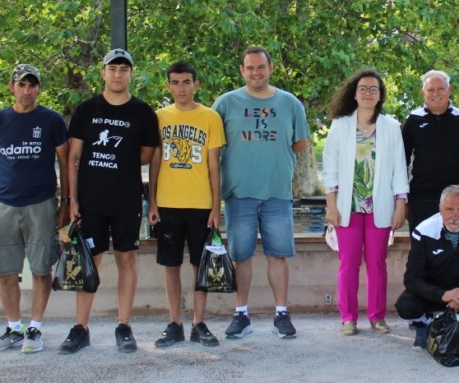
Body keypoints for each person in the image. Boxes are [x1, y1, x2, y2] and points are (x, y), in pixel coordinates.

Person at [59, 49, 160, 354]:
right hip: (91, 201)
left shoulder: (142, 112)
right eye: (112, 68)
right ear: (103, 72)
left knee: (126, 260)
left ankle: (124, 326)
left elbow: (145, 155)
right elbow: (73, 158)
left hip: (126, 200)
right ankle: (80, 328)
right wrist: (72, 200)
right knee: (89, 262)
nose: (118, 74)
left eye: (123, 69)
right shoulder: (86, 110)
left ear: (131, 74)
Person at [212, 46, 310, 339]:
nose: (256, 72)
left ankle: (281, 314)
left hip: (276, 193)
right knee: (241, 256)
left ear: (270, 69)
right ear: (242, 70)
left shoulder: (290, 103)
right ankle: (241, 315)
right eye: (250, 67)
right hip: (238, 194)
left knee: (277, 255)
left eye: (261, 67)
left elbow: (300, 142)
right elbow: (214, 148)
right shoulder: (226, 103)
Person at [323, 69, 409, 336]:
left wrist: (401, 204)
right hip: (346, 207)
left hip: (379, 207)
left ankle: (377, 317)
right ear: (354, 93)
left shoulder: (391, 127)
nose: (368, 93)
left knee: (377, 264)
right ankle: (348, 318)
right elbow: (330, 167)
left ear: (380, 95)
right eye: (363, 88)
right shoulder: (340, 125)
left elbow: (399, 168)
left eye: (373, 89)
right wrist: (331, 204)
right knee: (348, 263)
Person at [147, 62, 226, 348]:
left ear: (196, 85)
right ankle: (175, 323)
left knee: (199, 265)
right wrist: (152, 202)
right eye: (175, 82)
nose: (181, 88)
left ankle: (198, 323)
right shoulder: (159, 117)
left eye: (186, 82)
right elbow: (155, 162)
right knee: (171, 265)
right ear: (168, 86)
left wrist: (216, 207)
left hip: (200, 205)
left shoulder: (210, 117)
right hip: (167, 204)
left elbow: (214, 166)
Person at [0, 64, 69, 353]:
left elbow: (66, 163)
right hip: (5, 205)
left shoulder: (51, 120)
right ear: (12, 87)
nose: (27, 91)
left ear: (39, 88)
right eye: (21, 85)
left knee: (41, 269)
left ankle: (35, 328)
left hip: (41, 204)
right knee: (5, 272)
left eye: (32, 85)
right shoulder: (2, 119)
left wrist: (66, 202)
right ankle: (14, 327)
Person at [395, 185, 459, 349]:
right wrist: (443, 295)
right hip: (434, 289)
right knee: (405, 306)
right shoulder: (424, 230)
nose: (455, 216)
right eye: (449, 209)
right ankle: (425, 324)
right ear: (440, 209)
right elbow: (411, 278)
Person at [402, 70, 459, 231]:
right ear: (423, 92)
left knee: (454, 244)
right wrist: (403, 199)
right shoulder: (413, 120)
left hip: (455, 198)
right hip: (420, 199)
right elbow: (401, 162)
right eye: (430, 89)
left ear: (449, 90)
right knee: (420, 244)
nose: (435, 93)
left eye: (441, 89)